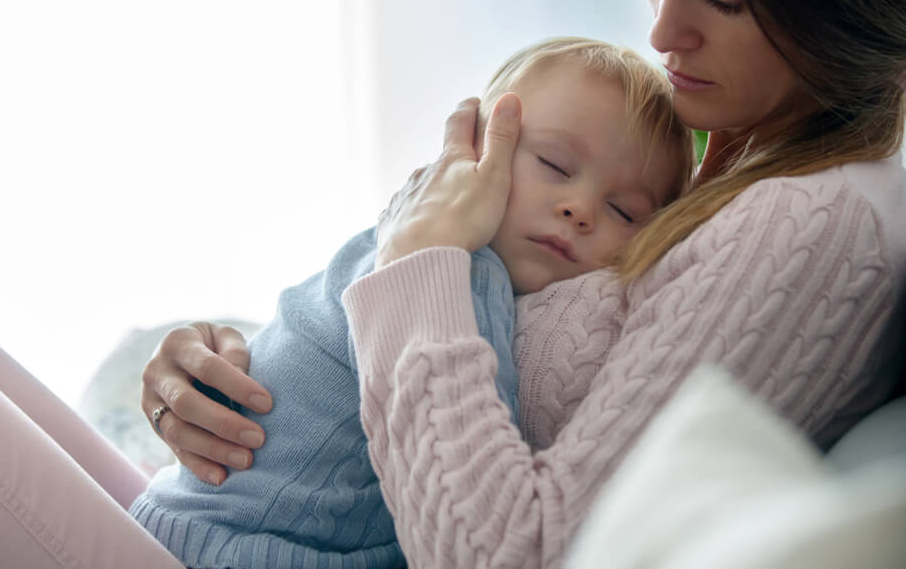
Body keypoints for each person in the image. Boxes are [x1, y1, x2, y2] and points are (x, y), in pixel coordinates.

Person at [142, 0, 906, 567]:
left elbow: (518, 552)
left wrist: (417, 260)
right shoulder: (723, 149)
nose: (663, 32)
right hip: (227, 503)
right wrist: (241, 364)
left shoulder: (810, 226)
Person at [128, 36, 694, 568]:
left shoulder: (406, 242)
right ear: (471, 151)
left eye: (624, 211)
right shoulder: (456, 271)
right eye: (553, 165)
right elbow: (479, 458)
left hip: (196, 521)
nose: (581, 207)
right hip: (229, 551)